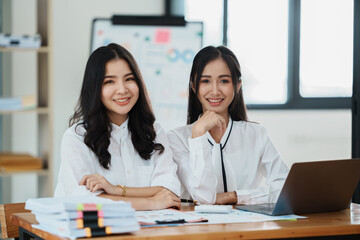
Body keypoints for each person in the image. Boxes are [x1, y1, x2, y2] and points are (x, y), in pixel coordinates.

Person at [54, 43, 181, 210]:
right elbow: (86, 202)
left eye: (129, 79)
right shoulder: (76, 138)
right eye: (109, 82)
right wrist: (151, 202)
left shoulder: (154, 131)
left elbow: (170, 191)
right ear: (95, 89)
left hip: (147, 232)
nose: (122, 89)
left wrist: (115, 190)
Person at [168, 46, 289, 205]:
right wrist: (198, 133)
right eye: (205, 81)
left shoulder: (256, 134)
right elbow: (203, 197)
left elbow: (285, 188)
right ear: (193, 86)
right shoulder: (177, 138)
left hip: (247, 226)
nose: (215, 91)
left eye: (224, 81)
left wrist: (235, 196)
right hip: (199, 227)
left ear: (238, 85)